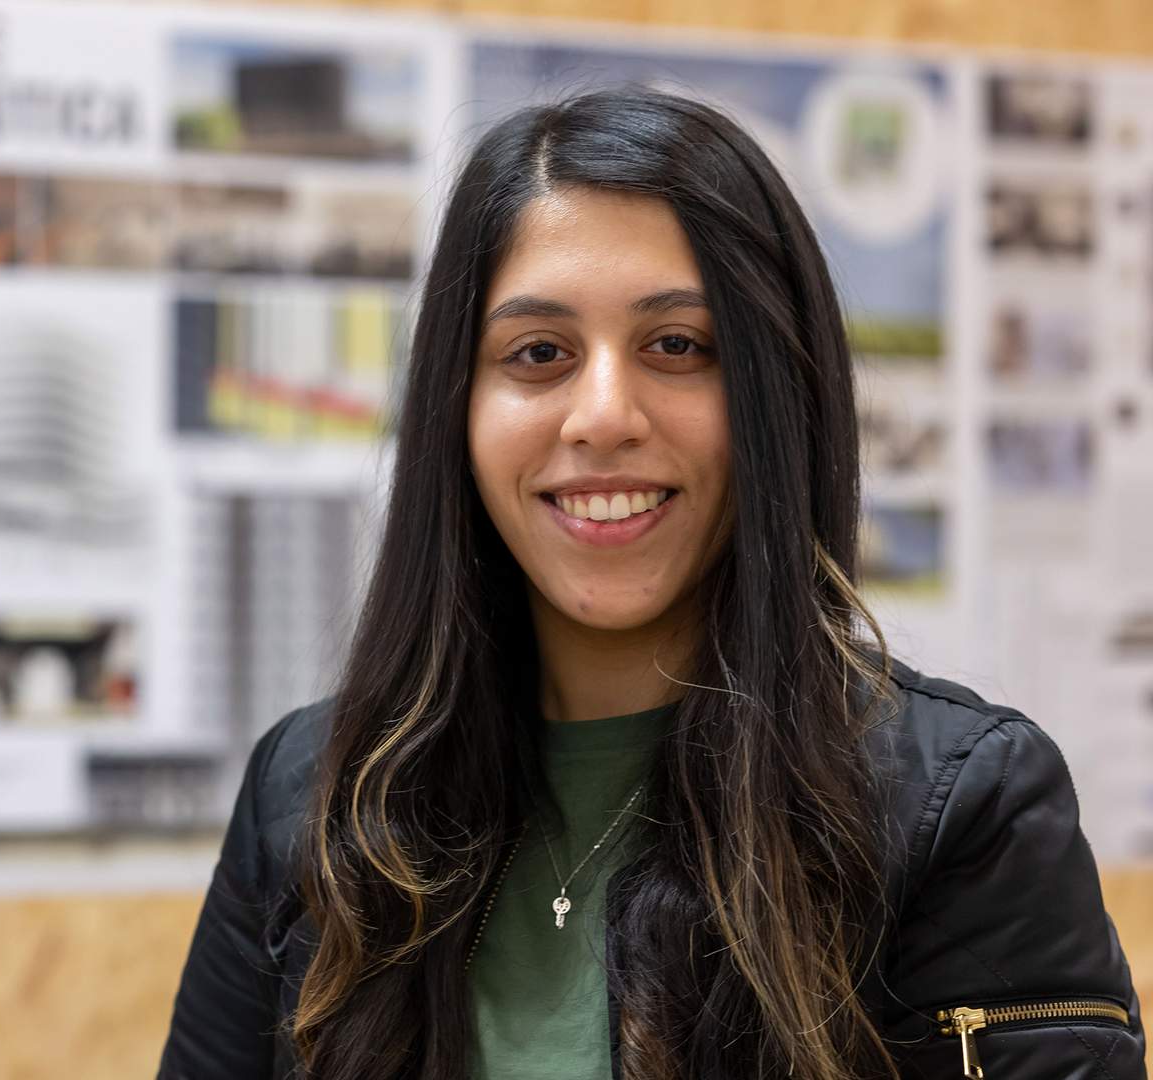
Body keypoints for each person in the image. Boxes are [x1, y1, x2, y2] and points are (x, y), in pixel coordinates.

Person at [157, 86, 1145, 1080]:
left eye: (678, 346)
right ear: (458, 408)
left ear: (775, 394)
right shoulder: (314, 795)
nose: (602, 416)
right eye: (538, 354)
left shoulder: (961, 810)